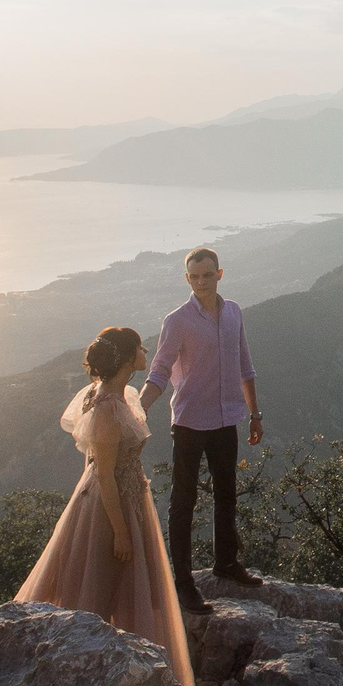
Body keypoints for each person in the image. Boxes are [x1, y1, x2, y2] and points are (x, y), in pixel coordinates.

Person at [14, 326, 196, 686]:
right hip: (110, 508)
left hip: (120, 500)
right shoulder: (109, 409)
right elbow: (106, 476)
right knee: (99, 590)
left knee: (102, 587)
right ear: (129, 358)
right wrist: (120, 531)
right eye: (140, 348)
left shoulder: (116, 395)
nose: (146, 351)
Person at [140, 247, 265, 613]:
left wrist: (255, 414)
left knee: (227, 495)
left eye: (207, 275)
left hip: (227, 419)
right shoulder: (176, 320)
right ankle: (183, 583)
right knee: (184, 502)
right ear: (187, 279)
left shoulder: (234, 313)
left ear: (220, 274)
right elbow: (160, 369)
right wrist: (138, 407)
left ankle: (226, 563)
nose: (201, 282)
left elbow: (245, 364)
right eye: (194, 277)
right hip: (191, 423)